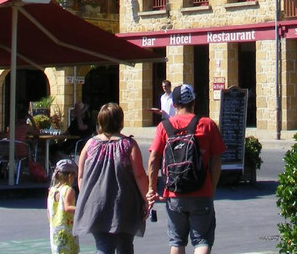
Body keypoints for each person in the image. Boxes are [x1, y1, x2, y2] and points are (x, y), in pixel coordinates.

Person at [147, 84, 225, 254]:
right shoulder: (207, 124)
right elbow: (216, 160)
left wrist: (152, 188)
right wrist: (212, 188)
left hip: (174, 192)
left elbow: (153, 159)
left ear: (174, 104)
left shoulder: (164, 126)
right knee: (202, 240)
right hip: (201, 190)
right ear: (193, 102)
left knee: (176, 241)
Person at [73, 102, 150, 254]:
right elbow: (140, 175)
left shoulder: (90, 144)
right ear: (120, 121)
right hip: (124, 202)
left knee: (103, 246)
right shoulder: (129, 144)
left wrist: (87, 197)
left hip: (96, 203)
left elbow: (81, 175)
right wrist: (147, 199)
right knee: (125, 245)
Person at [49, 158, 80, 254]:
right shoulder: (68, 190)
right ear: (71, 176)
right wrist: (82, 209)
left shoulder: (52, 190)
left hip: (55, 229)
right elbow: (67, 207)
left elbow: (49, 212)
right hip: (67, 229)